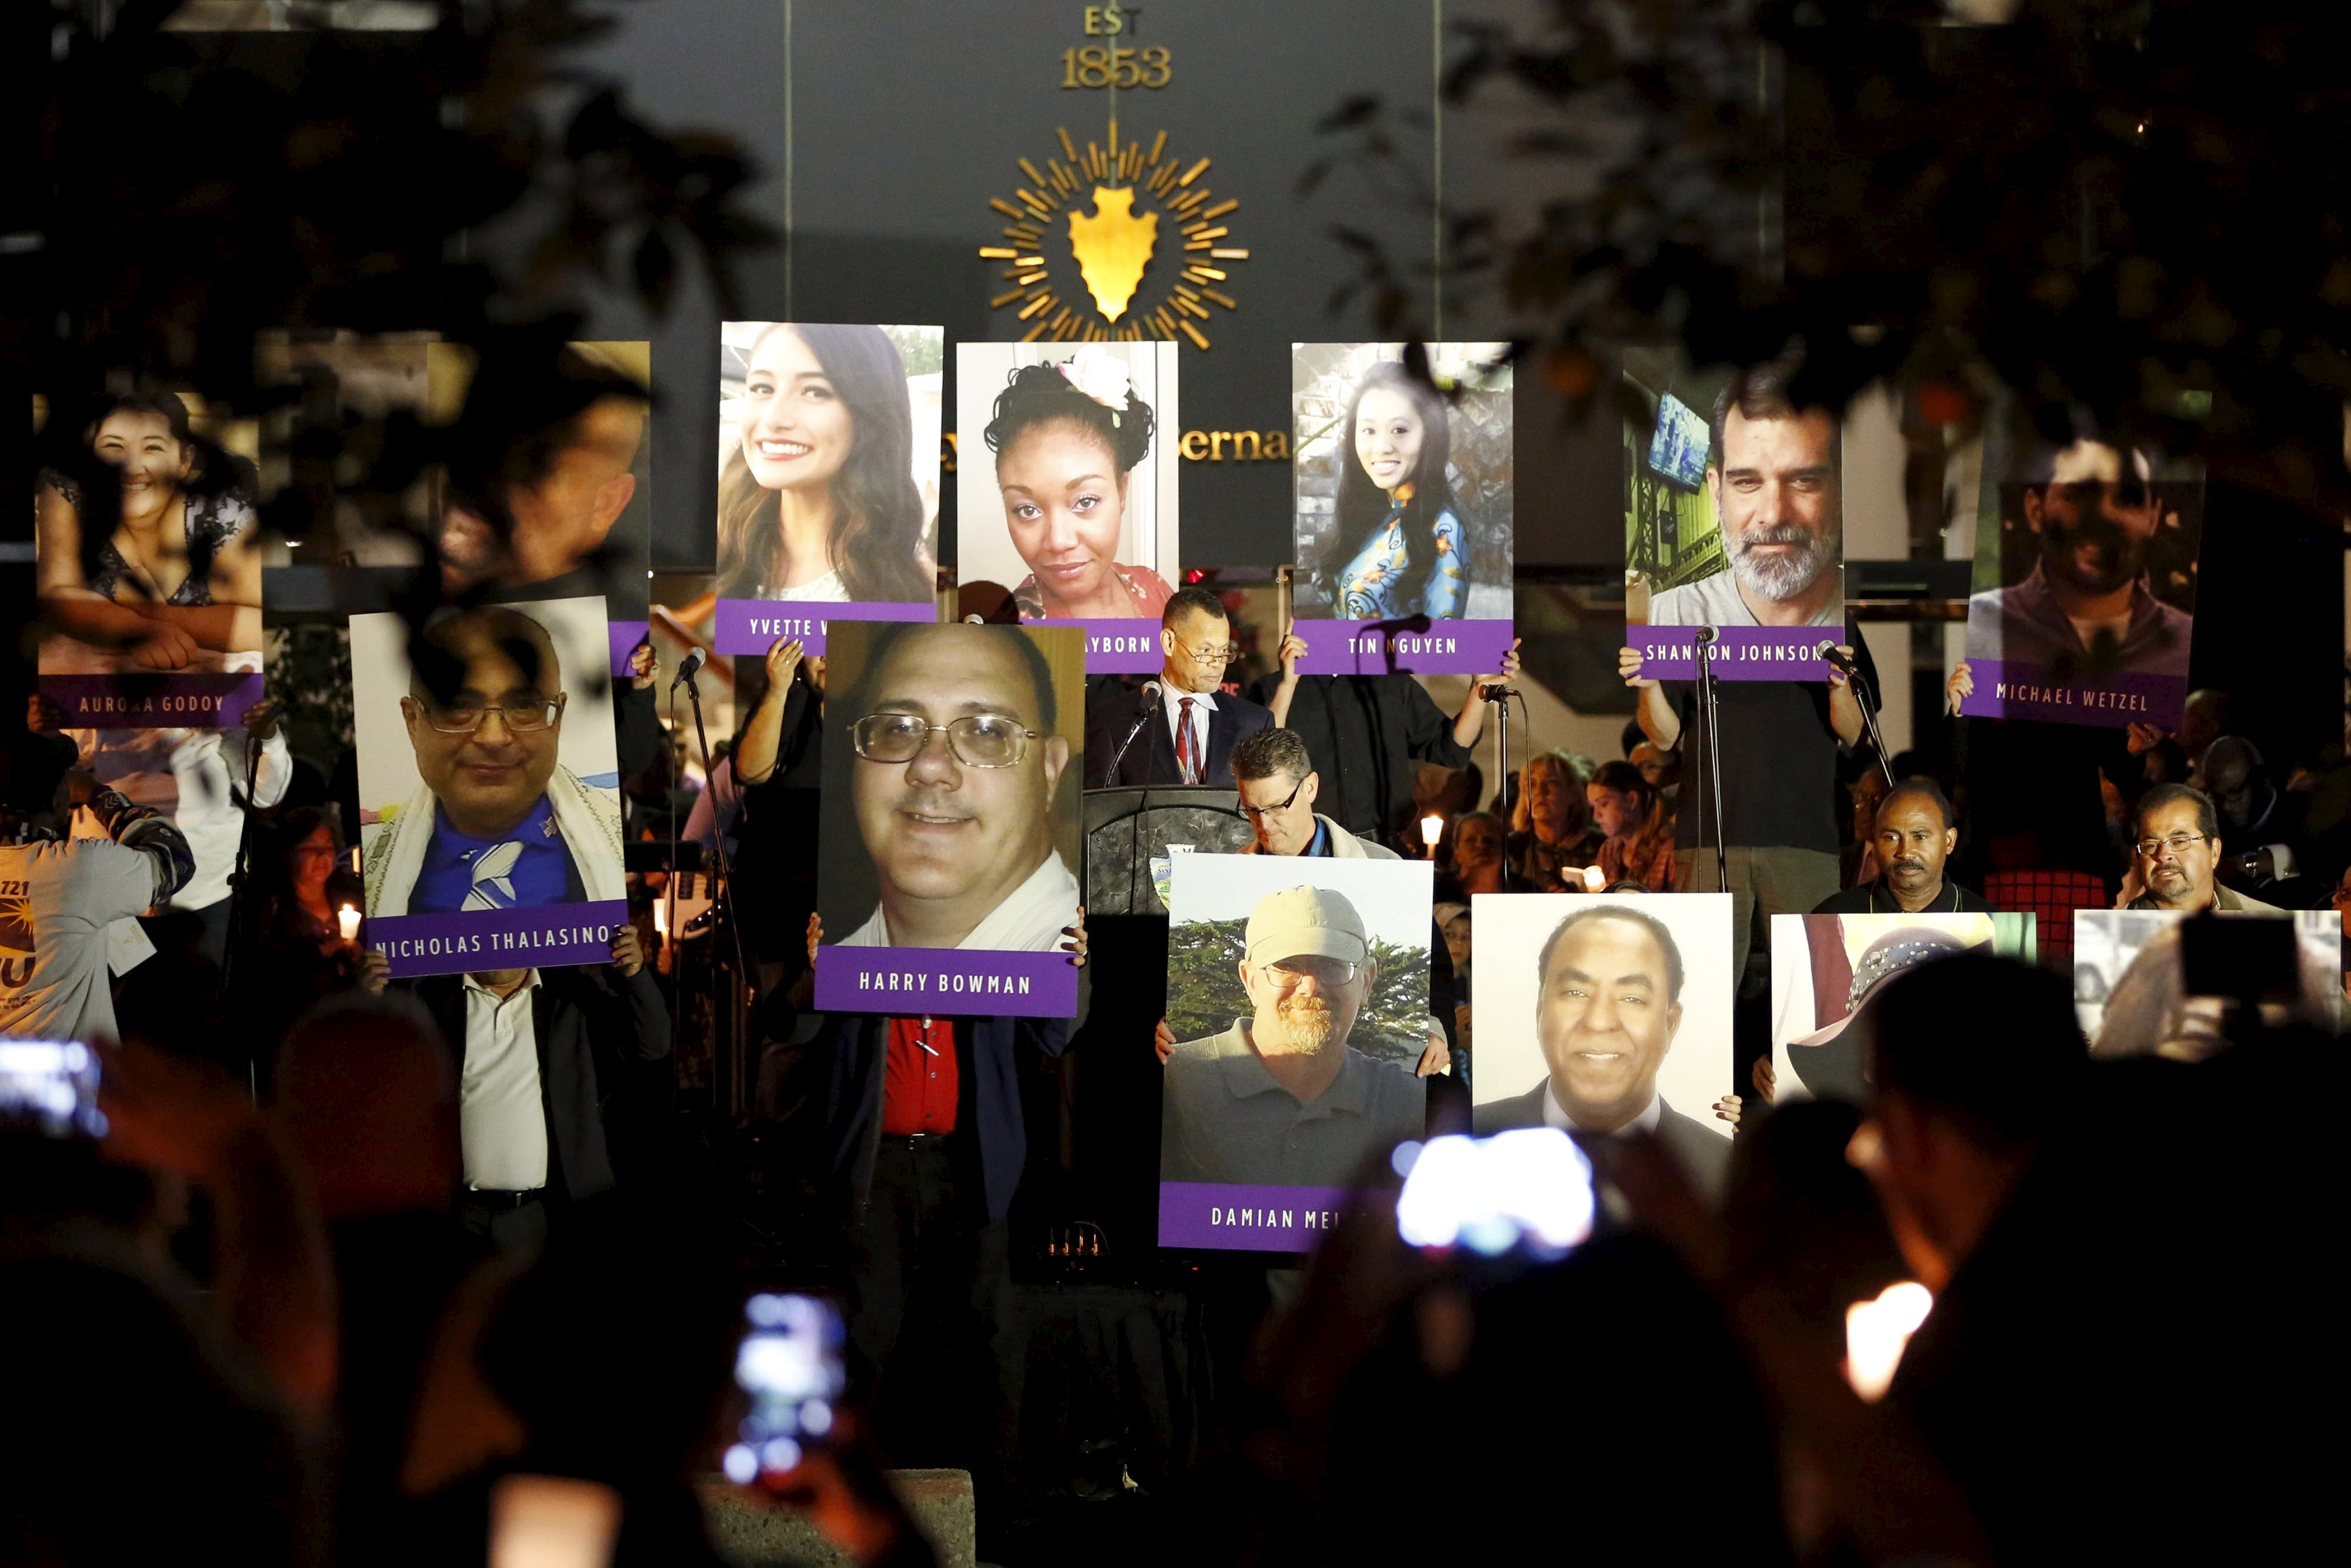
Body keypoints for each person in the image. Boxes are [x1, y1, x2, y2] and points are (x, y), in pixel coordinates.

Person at [802, 911, 1088, 1544]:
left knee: (989, 1339)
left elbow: (1051, 1037)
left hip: (968, 1165)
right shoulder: (861, 945)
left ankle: (1002, 1511)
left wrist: (1068, 968)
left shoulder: (996, 946)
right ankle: (842, 1513)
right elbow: (800, 1028)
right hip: (881, 1171)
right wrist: (817, 972)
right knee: (865, 1341)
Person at [398, 925, 670, 1252]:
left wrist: (635, 975)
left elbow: (652, 1045)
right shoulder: (432, 1002)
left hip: (550, 1216)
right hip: (454, 1217)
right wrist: (364, 993)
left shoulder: (571, 999)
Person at [362, 605, 625, 917]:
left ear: (557, 718)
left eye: (524, 705)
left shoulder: (620, 848)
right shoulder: (366, 868)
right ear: (413, 721)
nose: (493, 738)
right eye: (459, 706)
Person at [833, 622, 1078, 950]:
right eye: (898, 728)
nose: (930, 767)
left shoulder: (1091, 986)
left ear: (1049, 772)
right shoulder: (819, 979)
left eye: (987, 732)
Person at [1160, 885, 1424, 1185]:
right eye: (1286, 966)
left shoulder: (1406, 1103)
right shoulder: (1178, 1082)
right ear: (1250, 980)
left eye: (1332, 965)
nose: (1311, 987)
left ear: (1366, 982)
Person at [1472, 905, 1730, 1202]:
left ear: (1670, 1024)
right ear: (1541, 1009)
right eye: (1575, 992)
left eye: (1632, 998)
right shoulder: (1469, 1144)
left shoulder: (1725, 1168)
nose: (1598, 1021)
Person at [34, 389, 263, 672]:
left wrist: (144, 613)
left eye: (152, 448)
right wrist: (134, 627)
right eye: (113, 447)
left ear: (185, 461)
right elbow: (54, 595)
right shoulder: (68, 490)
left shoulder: (221, 509)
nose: (132, 468)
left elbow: (262, 626)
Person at [716, 322, 936, 604]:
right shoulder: (717, 552)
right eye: (762, 388)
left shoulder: (913, 586)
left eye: (814, 392)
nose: (773, 419)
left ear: (868, 415)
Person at [1250, 630, 1521, 845]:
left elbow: (1452, 750)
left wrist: (1479, 691)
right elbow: (1261, 760)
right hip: (1304, 848)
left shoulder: (1392, 685)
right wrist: (1289, 683)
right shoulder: (1275, 687)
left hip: (1380, 847)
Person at [1962, 436, 2190, 682]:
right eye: (2078, 496)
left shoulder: (2185, 644)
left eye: (2127, 499)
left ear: (2153, 518)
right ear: (2035, 511)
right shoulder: (1980, 626)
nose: (2103, 519)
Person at [1644, 362, 1844, 631]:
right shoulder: (1661, 621)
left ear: (1839, 490)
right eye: (1747, 482)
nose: (1773, 516)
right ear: (1717, 494)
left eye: (1803, 481)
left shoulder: (1876, 618)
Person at [438, 342, 651, 594]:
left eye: (542, 466)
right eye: (485, 454)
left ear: (608, 504)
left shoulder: (620, 628)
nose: (501, 487)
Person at [981, 346, 1173, 620]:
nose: (1059, 541)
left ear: (1122, 490)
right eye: (1027, 510)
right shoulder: (1008, 635)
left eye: (1086, 501)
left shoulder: (1156, 589)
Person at [1, 780, 193, 1042]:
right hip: (70, 1073)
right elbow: (173, 859)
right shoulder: (77, 868)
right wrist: (99, 796)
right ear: (59, 802)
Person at [1316, 361, 1469, 621]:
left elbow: (1445, 649)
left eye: (1399, 430)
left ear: (1429, 435)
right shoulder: (1373, 515)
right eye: (1369, 430)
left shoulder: (1443, 529)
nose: (1382, 447)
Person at [1083, 586, 1271, 788]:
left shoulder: (1255, 724)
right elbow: (1101, 811)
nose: (1217, 662)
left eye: (1224, 651)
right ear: (1169, 643)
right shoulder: (1116, 722)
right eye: (1205, 651)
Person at [1814, 777, 1992, 915]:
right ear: (1875, 839)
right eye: (1892, 838)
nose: (1906, 852)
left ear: (1949, 841)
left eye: (1920, 837)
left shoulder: (1984, 923)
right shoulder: (1835, 917)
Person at [1231, 727, 1399, 860]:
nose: (1265, 825)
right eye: (1252, 810)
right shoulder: (1230, 876)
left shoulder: (1383, 867)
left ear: (1310, 787)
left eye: (1276, 807)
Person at [2121, 782, 2285, 914]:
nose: (2163, 854)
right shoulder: (2109, 936)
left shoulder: (2271, 927)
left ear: (2214, 852)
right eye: (2151, 845)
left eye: (2179, 841)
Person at [1507, 749, 1602, 888]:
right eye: (1532, 785)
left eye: (1551, 783)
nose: (1540, 792)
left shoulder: (1598, 846)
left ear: (1573, 793)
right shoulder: (1513, 849)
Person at [1587, 759, 1677, 890]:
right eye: (1593, 807)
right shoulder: (1608, 851)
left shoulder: (1669, 850)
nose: (1596, 816)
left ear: (1631, 800)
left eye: (1604, 804)